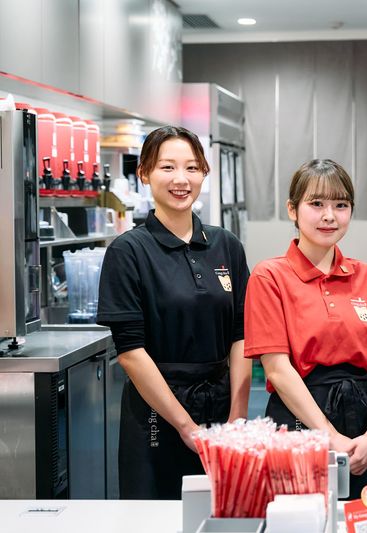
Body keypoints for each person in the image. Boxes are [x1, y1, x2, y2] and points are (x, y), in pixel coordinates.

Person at [97, 126, 251, 499]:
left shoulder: (226, 245)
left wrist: (237, 418)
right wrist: (186, 426)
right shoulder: (128, 251)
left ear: (204, 174)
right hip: (156, 412)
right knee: (155, 516)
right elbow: (131, 352)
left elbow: (242, 334)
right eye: (167, 167)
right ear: (144, 173)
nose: (181, 179)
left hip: (221, 409)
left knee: (223, 512)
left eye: (192, 168)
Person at [244, 159, 367, 516]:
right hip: (299, 424)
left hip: (361, 427)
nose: (329, 216)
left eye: (341, 205)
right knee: (302, 520)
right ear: (292, 209)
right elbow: (278, 370)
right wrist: (329, 436)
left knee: (366, 520)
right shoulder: (269, 277)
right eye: (316, 204)